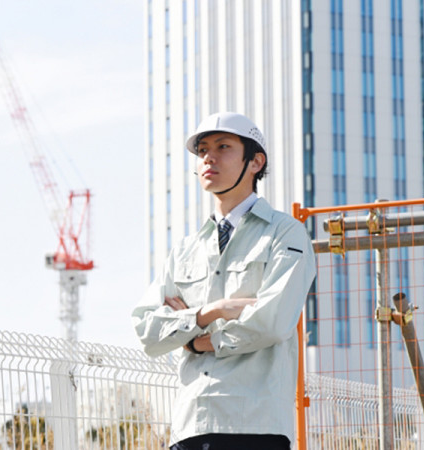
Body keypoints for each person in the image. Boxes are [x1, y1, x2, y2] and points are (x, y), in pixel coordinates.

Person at [132, 112, 316, 449]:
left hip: (255, 425)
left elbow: (273, 322)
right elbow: (147, 330)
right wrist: (211, 312)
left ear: (255, 162)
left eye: (223, 147)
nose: (208, 157)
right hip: (190, 424)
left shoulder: (285, 232)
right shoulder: (185, 249)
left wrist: (196, 342)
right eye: (202, 150)